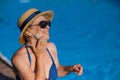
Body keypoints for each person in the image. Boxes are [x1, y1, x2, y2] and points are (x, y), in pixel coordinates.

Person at [11, 8, 83, 80]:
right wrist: (40, 57)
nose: (48, 27)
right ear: (28, 32)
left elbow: (57, 69)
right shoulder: (19, 58)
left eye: (48, 23)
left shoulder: (51, 47)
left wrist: (71, 68)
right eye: (43, 24)